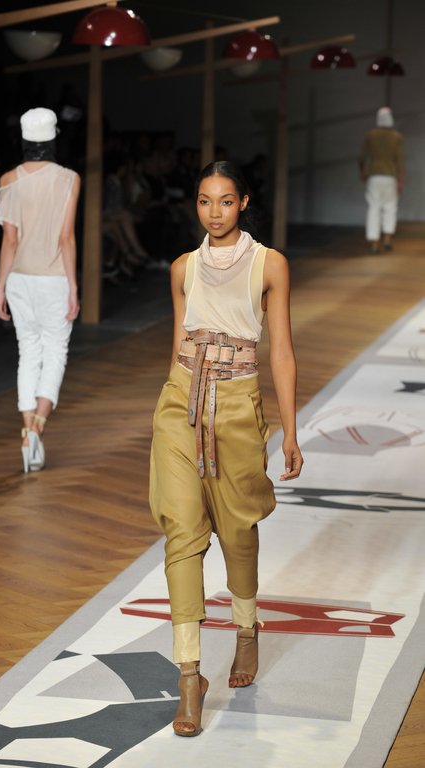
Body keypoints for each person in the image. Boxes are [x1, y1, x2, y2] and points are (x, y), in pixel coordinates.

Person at [149, 160, 303, 737]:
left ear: (244, 204)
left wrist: (290, 430)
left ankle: (245, 628)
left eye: (226, 201)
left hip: (238, 405)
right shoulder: (182, 268)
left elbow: (280, 349)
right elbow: (177, 343)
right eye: (204, 201)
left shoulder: (270, 264)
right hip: (180, 402)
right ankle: (189, 675)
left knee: (238, 529)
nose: (214, 212)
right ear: (196, 204)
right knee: (181, 530)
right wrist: (172, 401)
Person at [0, 107, 81, 472]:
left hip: (19, 278)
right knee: (55, 352)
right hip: (54, 277)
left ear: (25, 140)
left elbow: (9, 240)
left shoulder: (8, 179)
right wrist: (73, 286)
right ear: (53, 138)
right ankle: (37, 428)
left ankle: (27, 428)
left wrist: (1, 285)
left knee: (27, 351)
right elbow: (66, 237)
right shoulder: (69, 179)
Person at [359, 106, 404, 253]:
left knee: (374, 208)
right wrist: (401, 180)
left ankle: (374, 243)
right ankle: (387, 239)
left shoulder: (371, 135)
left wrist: (362, 171)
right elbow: (400, 161)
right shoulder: (396, 137)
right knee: (390, 208)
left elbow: (362, 157)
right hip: (390, 176)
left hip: (374, 176)